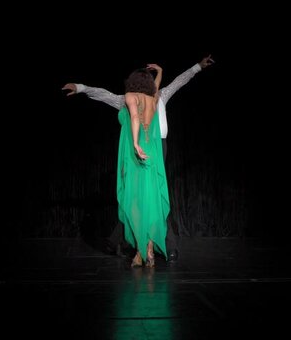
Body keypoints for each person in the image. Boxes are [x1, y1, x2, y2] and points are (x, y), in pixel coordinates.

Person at [63, 55, 215, 262]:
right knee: (141, 196)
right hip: (138, 148)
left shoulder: (159, 95)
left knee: (148, 195)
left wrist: (197, 67)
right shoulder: (128, 100)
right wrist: (81, 88)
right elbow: (103, 94)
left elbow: (180, 80)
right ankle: (130, 243)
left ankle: (150, 245)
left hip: (157, 146)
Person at [119, 64, 168, 267]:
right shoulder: (153, 98)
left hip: (135, 153)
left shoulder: (131, 96)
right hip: (153, 153)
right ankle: (149, 251)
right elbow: (155, 88)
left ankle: (139, 253)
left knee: (136, 203)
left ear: (132, 81)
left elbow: (134, 117)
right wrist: (160, 72)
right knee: (151, 202)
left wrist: (136, 143)